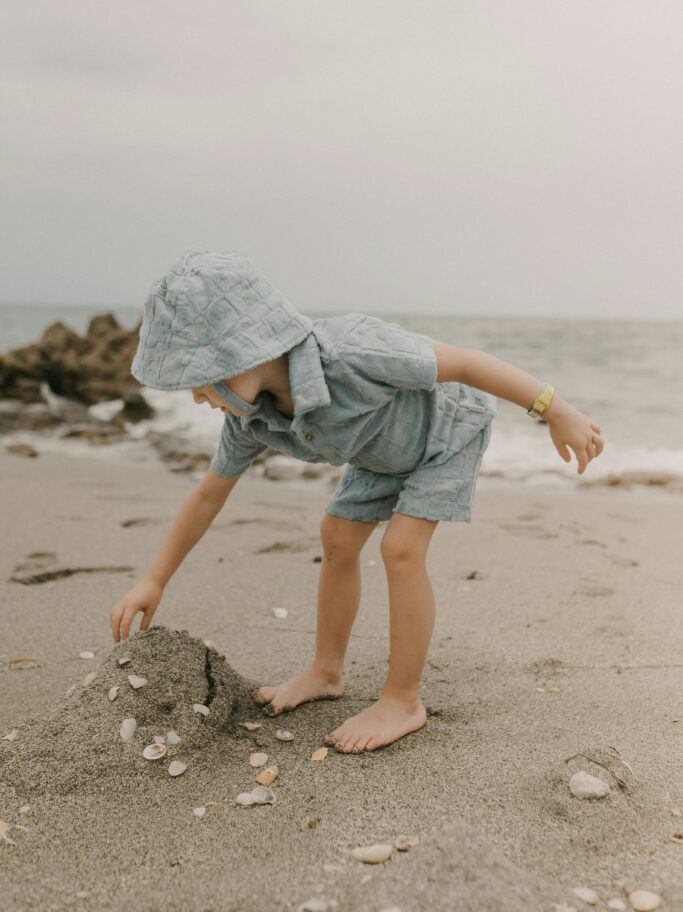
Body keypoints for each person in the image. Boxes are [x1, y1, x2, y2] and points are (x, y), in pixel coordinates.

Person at [109, 248, 604, 754]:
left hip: (448, 430)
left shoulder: (353, 351)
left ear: (245, 352)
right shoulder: (250, 419)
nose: (196, 396)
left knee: (400, 548)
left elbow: (467, 363)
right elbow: (208, 495)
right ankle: (326, 672)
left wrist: (554, 409)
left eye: (199, 377)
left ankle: (403, 701)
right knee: (337, 535)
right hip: (379, 453)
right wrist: (154, 579)